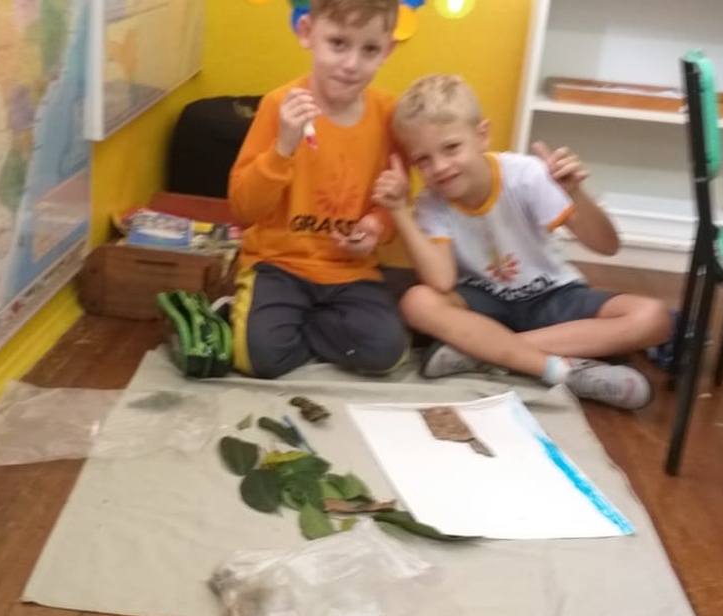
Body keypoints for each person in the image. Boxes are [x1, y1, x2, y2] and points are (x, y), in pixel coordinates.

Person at [372, 74, 673, 410]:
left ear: (482, 135)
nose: (440, 167)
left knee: (654, 317)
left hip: (551, 294)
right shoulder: (431, 202)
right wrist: (398, 211)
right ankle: (557, 368)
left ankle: (484, 353)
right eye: (423, 160)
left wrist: (576, 194)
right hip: (486, 303)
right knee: (417, 301)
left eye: (451, 148)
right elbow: (441, 281)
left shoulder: (526, 175)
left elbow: (607, 246)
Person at [225, 0, 409, 379]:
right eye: (338, 43)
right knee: (256, 358)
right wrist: (282, 149)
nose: (351, 64)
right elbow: (243, 209)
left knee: (388, 352)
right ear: (307, 33)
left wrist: (375, 227)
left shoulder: (390, 115)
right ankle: (283, 324)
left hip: (351, 272)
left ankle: (296, 325)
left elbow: (397, 201)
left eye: (369, 49)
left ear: (387, 50)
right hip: (279, 264)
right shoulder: (279, 106)